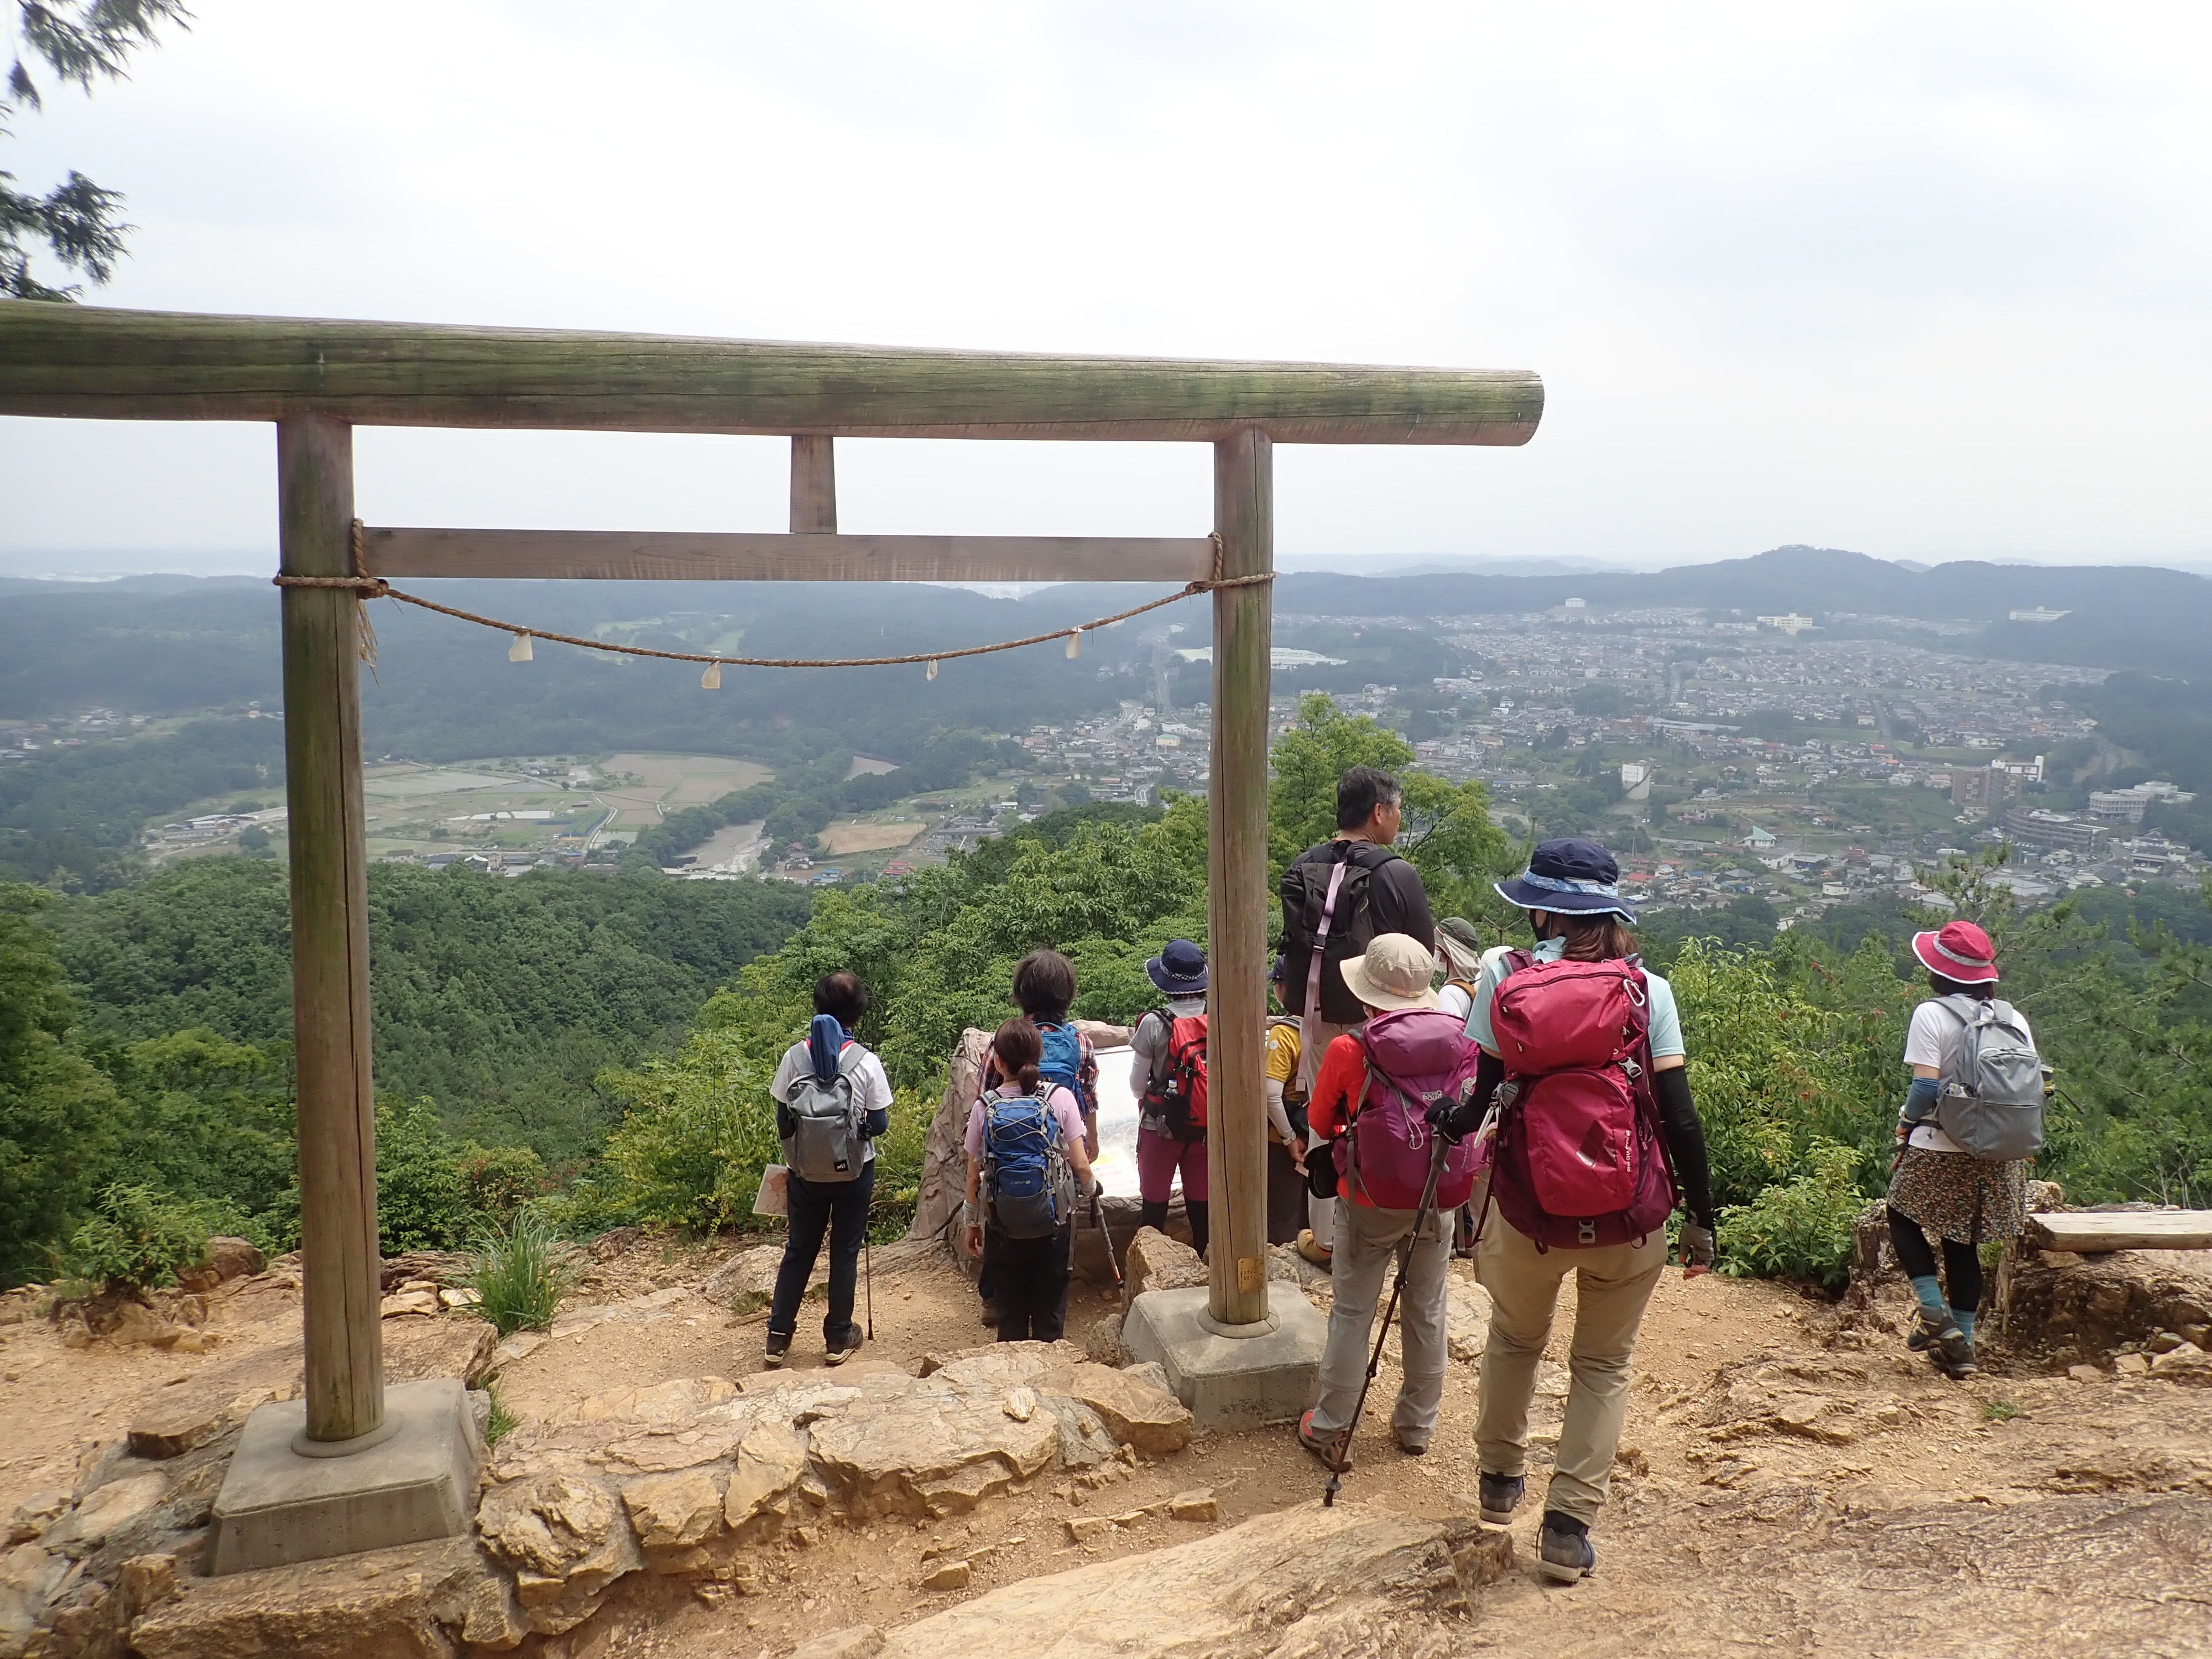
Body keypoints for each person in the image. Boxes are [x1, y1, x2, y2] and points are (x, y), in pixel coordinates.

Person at [1434, 837, 1717, 1585]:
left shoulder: (1503, 976)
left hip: (1527, 1208)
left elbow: (1478, 1101)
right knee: (1602, 1364)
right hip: (1629, 1215)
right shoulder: (1647, 991)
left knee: (1514, 1338)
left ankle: (1499, 1483)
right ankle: (1566, 1528)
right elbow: (1680, 1117)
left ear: (1540, 912)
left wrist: (1447, 1121)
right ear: (1610, 914)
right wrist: (1700, 1215)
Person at [1296, 933, 1477, 1463]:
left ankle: (1330, 1426)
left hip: (1369, 1198)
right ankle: (1417, 1426)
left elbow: (1319, 1120)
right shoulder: (1459, 1039)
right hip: (1437, 1193)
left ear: (1368, 993)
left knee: (1353, 1312)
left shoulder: (1352, 1049)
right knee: (1427, 1310)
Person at [1887, 920, 2031, 1380]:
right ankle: (1962, 1349)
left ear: (1939, 971)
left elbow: (1925, 1087)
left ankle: (1934, 1314)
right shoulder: (2012, 1018)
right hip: (1998, 1150)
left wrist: (1906, 1124)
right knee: (1961, 1242)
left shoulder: (1931, 1014)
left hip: (1940, 1142)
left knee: (1900, 1214)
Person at [1279, 766, 1437, 1097]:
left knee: (1324, 1108)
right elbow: (1424, 955)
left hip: (1315, 1016)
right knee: (1377, 1109)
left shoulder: (1302, 866)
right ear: (1379, 812)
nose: (1399, 818)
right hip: (1381, 1017)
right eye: (1397, 809)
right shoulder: (1397, 874)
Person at [765, 972, 894, 1369]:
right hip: (854, 1171)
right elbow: (880, 1123)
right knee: (844, 1252)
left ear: (817, 1006)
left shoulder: (794, 1057)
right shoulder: (865, 1061)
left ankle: (778, 1337)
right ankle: (838, 1337)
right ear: (857, 1013)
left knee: (799, 1249)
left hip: (805, 1173)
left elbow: (783, 1118)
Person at [975, 949, 1100, 1326]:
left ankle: (994, 1297)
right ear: (1067, 993)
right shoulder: (1079, 1043)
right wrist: (1090, 1142)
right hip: (1060, 1155)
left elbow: (984, 1096)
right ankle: (1050, 1305)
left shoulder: (1005, 1041)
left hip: (1006, 1157)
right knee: (1055, 1217)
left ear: (1022, 993)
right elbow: (1088, 1098)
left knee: (1001, 1216)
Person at [1130, 938, 1211, 1259]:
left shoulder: (1154, 1023)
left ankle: (1152, 1269)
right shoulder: (1219, 1014)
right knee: (1202, 1209)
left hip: (1160, 1126)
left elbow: (1137, 1085)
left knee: (1153, 1210)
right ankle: (1209, 1268)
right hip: (1205, 1127)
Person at [1264, 954, 1311, 1246]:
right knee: (1312, 1210)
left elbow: (1271, 1094)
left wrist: (1289, 1138)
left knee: (1282, 1213)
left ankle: (1284, 1269)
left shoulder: (1284, 1033)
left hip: (1283, 1138)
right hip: (1318, 1130)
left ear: (1283, 988)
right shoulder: (1329, 1026)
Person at [1434, 917, 1489, 1024]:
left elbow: (1448, 1033)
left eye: (1437, 945)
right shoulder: (1478, 984)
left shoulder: (1450, 992)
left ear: (1446, 951)